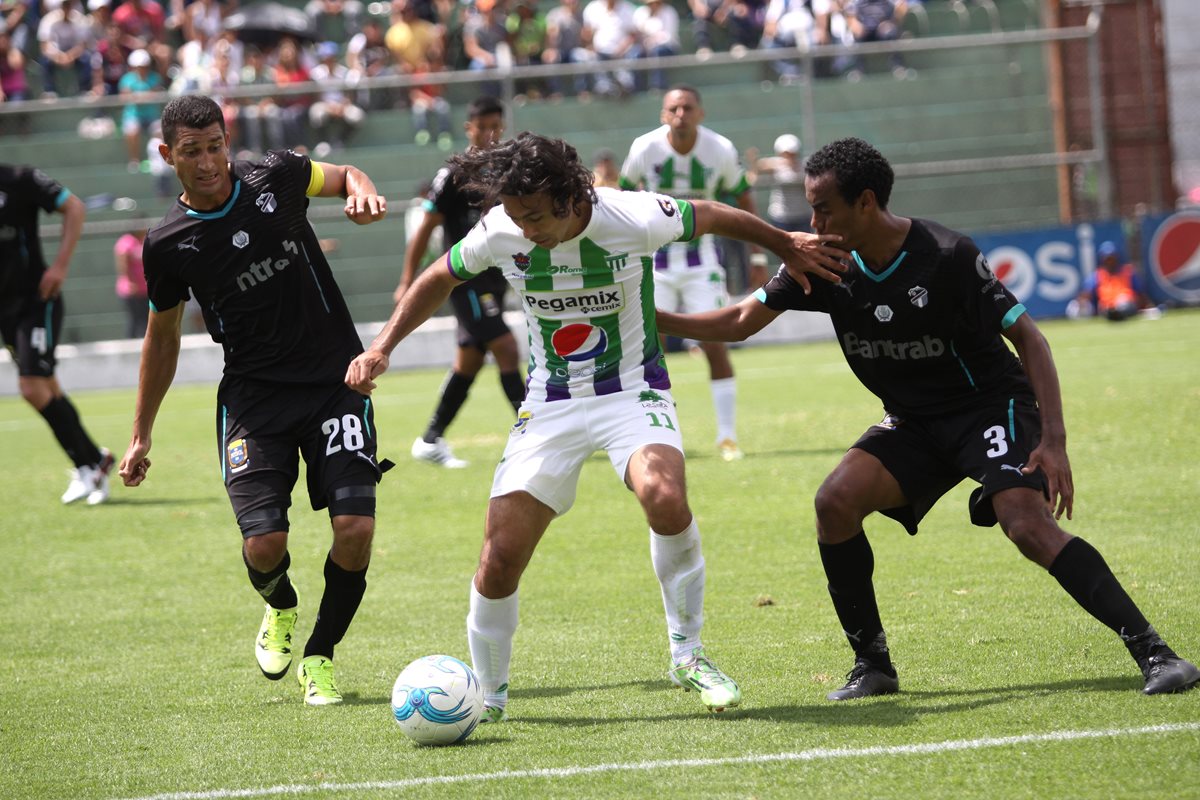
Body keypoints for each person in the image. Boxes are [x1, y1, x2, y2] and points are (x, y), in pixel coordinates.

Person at [656, 136, 1200, 699]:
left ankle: (1158, 655)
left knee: (1026, 523)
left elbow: (1030, 339)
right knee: (834, 503)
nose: (811, 221)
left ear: (865, 203)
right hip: (914, 422)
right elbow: (739, 322)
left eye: (824, 208)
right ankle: (874, 666)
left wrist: (1055, 441)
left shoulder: (947, 255)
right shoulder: (821, 261)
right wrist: (654, 319)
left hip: (990, 407)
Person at [345, 132, 844, 721]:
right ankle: (488, 693)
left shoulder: (630, 214)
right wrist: (381, 347)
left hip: (633, 391)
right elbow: (439, 277)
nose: (523, 228)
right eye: (514, 216)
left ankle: (688, 655)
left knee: (664, 495)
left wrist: (785, 242)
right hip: (550, 401)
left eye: (533, 215)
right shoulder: (501, 227)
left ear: (570, 198)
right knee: (500, 555)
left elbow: (710, 215)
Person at [118, 95, 391, 706]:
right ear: (168, 156)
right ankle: (281, 605)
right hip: (253, 399)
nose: (210, 160)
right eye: (193, 151)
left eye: (216, 144)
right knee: (264, 546)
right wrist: (141, 433)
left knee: (355, 527)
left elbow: (344, 174)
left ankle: (319, 656)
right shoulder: (167, 244)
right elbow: (161, 338)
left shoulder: (276, 175)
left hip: (333, 385)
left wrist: (362, 190)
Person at [619, 85, 765, 462]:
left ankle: (728, 437)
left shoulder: (720, 149)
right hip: (654, 262)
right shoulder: (644, 148)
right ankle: (655, 433)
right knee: (652, 347)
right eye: (673, 108)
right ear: (663, 115)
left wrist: (758, 254)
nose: (680, 114)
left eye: (687, 107)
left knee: (715, 342)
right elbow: (620, 196)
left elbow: (742, 197)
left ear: (701, 113)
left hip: (702, 261)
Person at [394, 96, 524, 469]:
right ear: (470, 129)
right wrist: (407, 278)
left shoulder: (508, 170)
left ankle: (431, 439)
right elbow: (426, 227)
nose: (490, 134)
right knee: (506, 347)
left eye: (496, 126)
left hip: (496, 278)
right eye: (483, 127)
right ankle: (536, 428)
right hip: (464, 278)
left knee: (469, 360)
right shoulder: (453, 174)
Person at [0, 163, 113, 505]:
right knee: (47, 388)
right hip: (5, 310)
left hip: (37, 300)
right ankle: (96, 461)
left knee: (32, 387)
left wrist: (60, 266)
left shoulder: (18, 179)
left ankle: (87, 465)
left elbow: (74, 207)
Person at [1075, 241, 1155, 322]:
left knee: (1124, 301)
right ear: (1103, 259)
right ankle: (1114, 314)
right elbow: (1086, 294)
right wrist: (1082, 304)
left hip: (1127, 304)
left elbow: (1141, 294)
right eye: (1107, 259)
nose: (1110, 262)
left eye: (1112, 258)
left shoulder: (1128, 272)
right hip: (1107, 308)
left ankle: (1119, 314)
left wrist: (1149, 306)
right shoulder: (1097, 276)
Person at [746, 132, 810, 233]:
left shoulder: (805, 165)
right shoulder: (774, 164)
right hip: (781, 217)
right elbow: (754, 174)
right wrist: (753, 161)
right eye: (786, 153)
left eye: (792, 153)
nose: (789, 156)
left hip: (802, 216)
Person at [113, 228, 148, 338]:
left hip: (145, 290)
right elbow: (122, 264)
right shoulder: (126, 241)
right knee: (135, 319)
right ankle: (131, 344)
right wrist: (130, 282)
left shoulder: (144, 240)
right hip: (131, 290)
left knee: (146, 320)